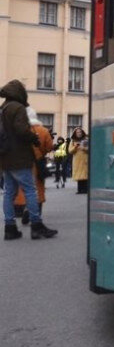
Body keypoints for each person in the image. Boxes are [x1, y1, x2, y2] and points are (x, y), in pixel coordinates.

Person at [1, 80, 57, 240]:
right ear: (19, 92)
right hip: (19, 157)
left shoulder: (3, 108)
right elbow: (21, 130)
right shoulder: (18, 108)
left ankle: (10, 228)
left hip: (5, 157)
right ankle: (36, 225)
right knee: (30, 190)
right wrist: (33, 137)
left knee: (9, 192)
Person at [13, 109, 54, 224]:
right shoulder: (43, 130)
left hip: (20, 162)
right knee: (38, 186)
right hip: (37, 162)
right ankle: (36, 212)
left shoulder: (17, 130)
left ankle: (22, 208)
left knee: (22, 186)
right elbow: (49, 147)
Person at [68, 127, 89, 194]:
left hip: (84, 159)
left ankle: (85, 189)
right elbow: (70, 151)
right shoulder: (73, 141)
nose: (79, 133)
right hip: (77, 160)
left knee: (85, 175)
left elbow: (90, 149)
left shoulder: (86, 140)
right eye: (77, 132)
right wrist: (75, 147)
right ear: (75, 133)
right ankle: (79, 190)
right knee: (79, 175)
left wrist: (84, 148)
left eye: (80, 132)